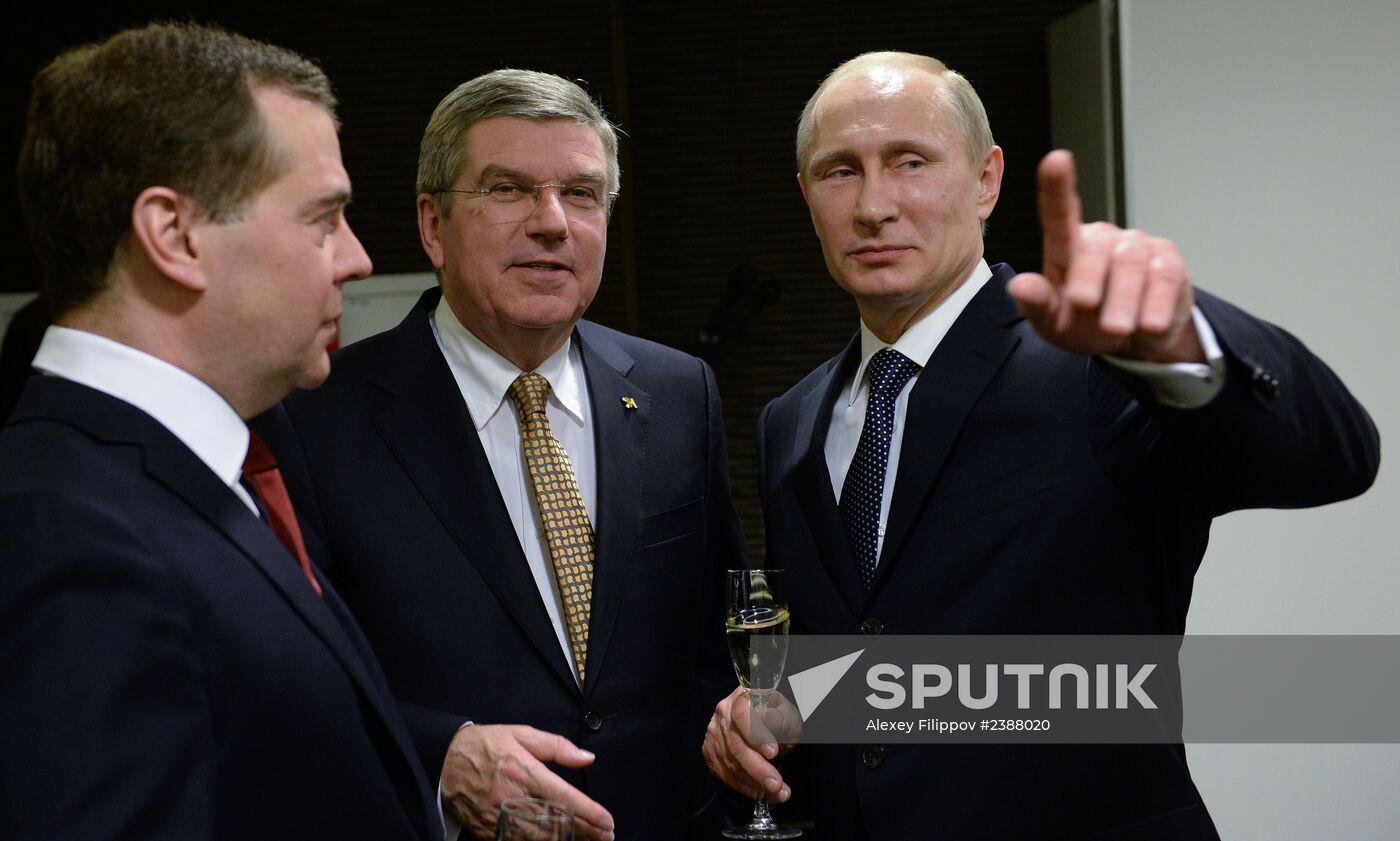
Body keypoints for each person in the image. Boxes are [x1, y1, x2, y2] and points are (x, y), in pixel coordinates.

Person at [702, 51, 1380, 841]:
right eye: (840, 172)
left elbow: (1334, 454)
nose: (874, 204)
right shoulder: (792, 420)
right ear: (807, 198)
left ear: (987, 179)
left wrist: (1184, 340)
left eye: (910, 162)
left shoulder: (1097, 370)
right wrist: (787, 706)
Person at [271, 69, 746, 840]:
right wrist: (440, 753)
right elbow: (291, 680)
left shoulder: (678, 391)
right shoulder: (317, 421)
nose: (552, 222)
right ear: (433, 226)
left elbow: (717, 647)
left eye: (582, 193)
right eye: (508, 190)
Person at [0, 23, 441, 840]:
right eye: (323, 218)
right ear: (175, 235)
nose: (356, 258)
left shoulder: (207, 472)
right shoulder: (60, 533)